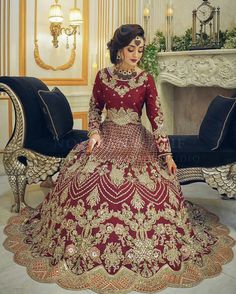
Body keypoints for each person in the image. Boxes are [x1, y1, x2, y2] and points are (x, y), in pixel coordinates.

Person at [4, 24, 234, 293]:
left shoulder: (146, 79)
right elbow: (94, 108)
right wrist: (94, 133)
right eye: (131, 48)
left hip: (137, 138)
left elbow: (157, 119)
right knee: (86, 175)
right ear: (119, 50)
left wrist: (167, 154)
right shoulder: (103, 76)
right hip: (107, 135)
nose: (136, 53)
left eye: (140, 48)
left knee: (148, 183)